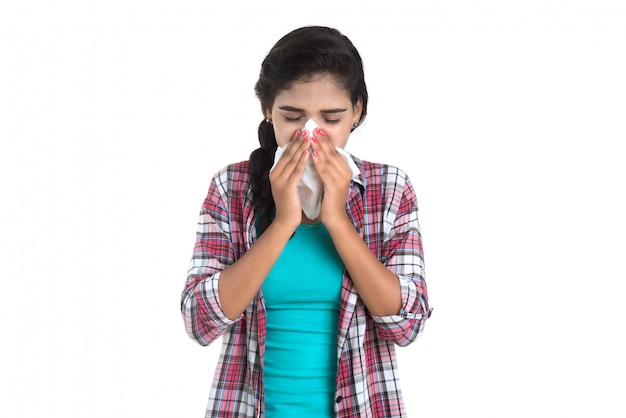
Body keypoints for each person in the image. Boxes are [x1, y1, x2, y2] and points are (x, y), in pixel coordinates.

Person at [181, 25, 432, 418]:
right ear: (268, 111)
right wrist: (282, 223)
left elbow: (406, 324)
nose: (310, 134)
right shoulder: (232, 188)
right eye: (292, 116)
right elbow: (200, 321)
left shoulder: (389, 189)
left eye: (331, 118)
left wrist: (336, 220)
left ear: (357, 113)